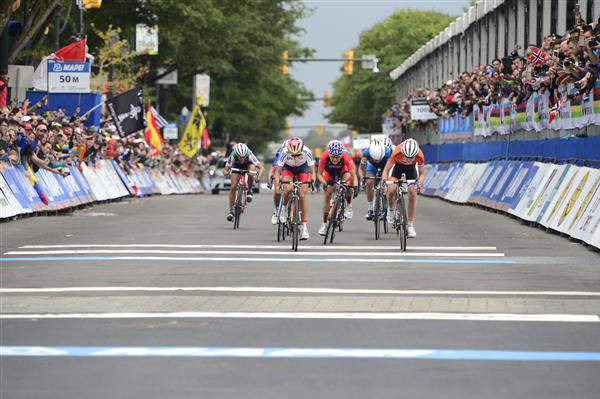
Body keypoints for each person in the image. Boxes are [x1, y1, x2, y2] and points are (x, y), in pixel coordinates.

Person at [381, 138, 425, 238]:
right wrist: (384, 182)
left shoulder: (419, 155)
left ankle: (410, 224)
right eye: (406, 157)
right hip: (397, 169)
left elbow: (422, 174)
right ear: (402, 152)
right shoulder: (397, 152)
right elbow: (386, 171)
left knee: (412, 194)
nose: (408, 160)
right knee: (391, 190)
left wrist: (419, 183)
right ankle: (391, 209)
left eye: (411, 158)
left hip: (411, 171)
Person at [273, 137, 315, 240]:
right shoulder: (284, 151)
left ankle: (304, 227)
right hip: (288, 168)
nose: (295, 157)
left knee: (302, 194)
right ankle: (282, 209)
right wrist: (277, 184)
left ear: (302, 150)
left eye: (298, 155)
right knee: (288, 188)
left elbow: (313, 171)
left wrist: (312, 183)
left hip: (302, 169)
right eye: (293, 155)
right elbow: (277, 172)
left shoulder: (307, 151)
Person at [316, 140, 358, 236]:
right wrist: (325, 183)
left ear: (341, 155)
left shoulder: (345, 157)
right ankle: (324, 224)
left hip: (343, 171)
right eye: (333, 157)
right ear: (329, 154)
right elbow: (319, 174)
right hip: (329, 173)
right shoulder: (324, 156)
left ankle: (349, 205)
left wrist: (355, 187)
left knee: (347, 184)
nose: (335, 160)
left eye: (337, 157)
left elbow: (353, 175)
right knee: (327, 194)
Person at [223, 142, 263, 221]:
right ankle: (231, 210)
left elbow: (261, 167)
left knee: (251, 171)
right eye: (240, 157)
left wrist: (259, 177)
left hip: (248, 164)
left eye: (243, 157)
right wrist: (226, 173)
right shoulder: (233, 155)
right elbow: (225, 169)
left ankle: (250, 191)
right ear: (236, 154)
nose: (241, 159)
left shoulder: (249, 154)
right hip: (236, 167)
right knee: (233, 186)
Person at [360, 141, 392, 220]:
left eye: (379, 159)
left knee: (386, 184)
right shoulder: (366, 153)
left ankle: (388, 207)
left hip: (385, 166)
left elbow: (390, 169)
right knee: (369, 182)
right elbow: (361, 168)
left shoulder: (388, 153)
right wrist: (363, 177)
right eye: (375, 159)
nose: (377, 161)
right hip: (372, 166)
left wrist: (386, 180)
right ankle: (370, 208)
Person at [267, 139, 288, 224]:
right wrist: (270, 180)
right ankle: (276, 211)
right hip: (281, 171)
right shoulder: (280, 153)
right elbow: (274, 168)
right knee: (276, 191)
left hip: (292, 171)